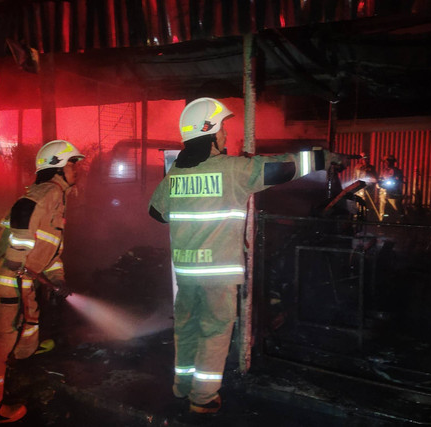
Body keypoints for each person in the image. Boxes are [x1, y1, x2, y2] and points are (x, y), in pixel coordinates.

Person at [148, 97, 345, 414]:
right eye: (223, 128)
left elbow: (157, 213)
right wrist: (324, 158)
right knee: (214, 333)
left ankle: (182, 387)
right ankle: (202, 399)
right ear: (210, 132)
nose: (226, 135)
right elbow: (285, 167)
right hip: (218, 276)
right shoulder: (233, 171)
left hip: (186, 274)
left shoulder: (174, 176)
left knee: (186, 329)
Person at [0, 140, 84, 424]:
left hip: (20, 279)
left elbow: (49, 249)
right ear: (58, 166)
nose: (76, 169)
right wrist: (18, 258)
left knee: (27, 324)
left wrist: (57, 280)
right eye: (72, 163)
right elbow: (23, 212)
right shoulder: (48, 191)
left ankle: (18, 360)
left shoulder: (55, 197)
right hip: (8, 279)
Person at [378, 154, 405, 221]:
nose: (387, 163)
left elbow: (399, 181)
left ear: (392, 162)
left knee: (396, 207)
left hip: (393, 192)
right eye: (385, 162)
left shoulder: (397, 171)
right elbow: (380, 179)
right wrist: (378, 184)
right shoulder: (384, 171)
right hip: (383, 192)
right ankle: (382, 221)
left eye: (389, 161)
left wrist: (394, 183)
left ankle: (402, 221)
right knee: (382, 208)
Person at [353, 152, 378, 219]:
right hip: (359, 189)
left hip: (368, 189)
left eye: (367, 159)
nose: (366, 160)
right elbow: (355, 177)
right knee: (358, 202)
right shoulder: (357, 167)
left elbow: (375, 178)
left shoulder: (371, 168)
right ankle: (357, 216)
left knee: (368, 203)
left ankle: (367, 217)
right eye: (364, 159)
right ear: (361, 159)